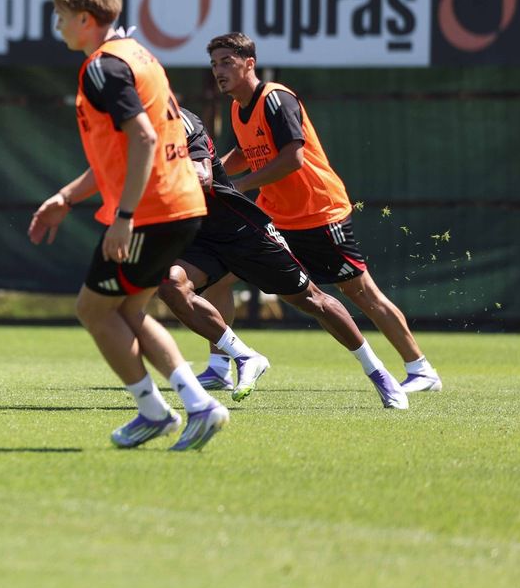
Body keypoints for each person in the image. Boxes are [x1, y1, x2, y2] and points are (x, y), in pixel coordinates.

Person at [28, 0, 228, 451]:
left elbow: (143, 138)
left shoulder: (101, 66)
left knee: (93, 310)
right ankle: (185, 406)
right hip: (181, 205)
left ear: (84, 18)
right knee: (130, 312)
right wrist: (67, 198)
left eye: (60, 14)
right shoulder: (139, 57)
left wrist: (124, 218)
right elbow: (119, 154)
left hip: (151, 211)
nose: (56, 24)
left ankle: (164, 410)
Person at [207, 32, 440, 395]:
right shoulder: (239, 108)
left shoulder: (276, 99)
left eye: (226, 62)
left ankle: (420, 369)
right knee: (220, 277)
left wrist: (237, 187)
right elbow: (246, 149)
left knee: (362, 293)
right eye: (214, 64)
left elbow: (292, 158)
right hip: (277, 215)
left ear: (248, 63)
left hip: (319, 212)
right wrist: (215, 170)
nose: (218, 70)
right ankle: (220, 364)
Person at [156, 106, 409, 408]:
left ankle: (378, 372)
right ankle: (243, 356)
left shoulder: (178, 119)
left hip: (242, 231)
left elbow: (203, 177)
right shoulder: (129, 131)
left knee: (312, 300)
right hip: (200, 238)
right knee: (171, 285)